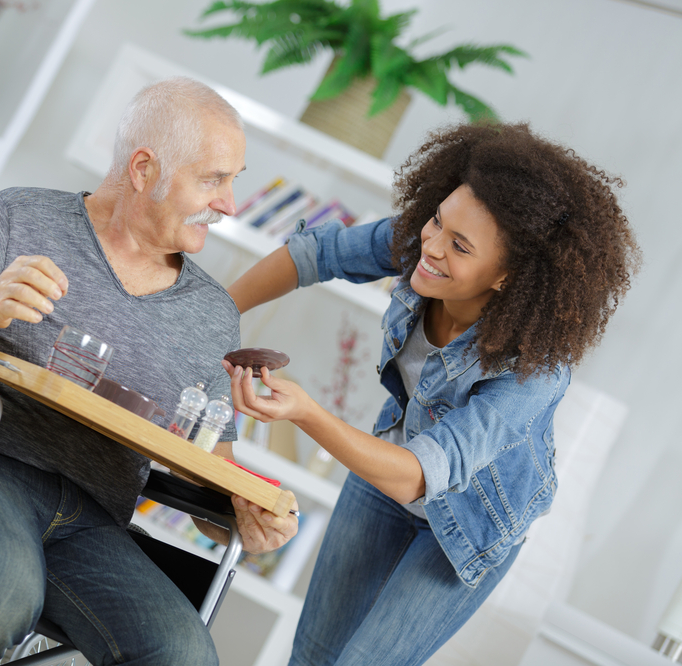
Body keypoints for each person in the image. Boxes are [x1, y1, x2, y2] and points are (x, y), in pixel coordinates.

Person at [0, 76, 298, 666]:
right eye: (214, 179)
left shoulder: (212, 316)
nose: (230, 205)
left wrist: (247, 513)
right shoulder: (18, 218)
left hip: (89, 517)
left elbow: (209, 466)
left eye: (234, 181)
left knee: (183, 654)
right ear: (143, 169)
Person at [224, 122, 640, 666]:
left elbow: (421, 474)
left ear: (508, 277)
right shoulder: (427, 245)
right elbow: (314, 254)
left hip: (466, 522)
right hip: (385, 476)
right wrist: (215, 314)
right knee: (312, 657)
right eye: (437, 220)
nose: (432, 247)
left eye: (460, 246)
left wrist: (304, 411)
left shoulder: (533, 374)